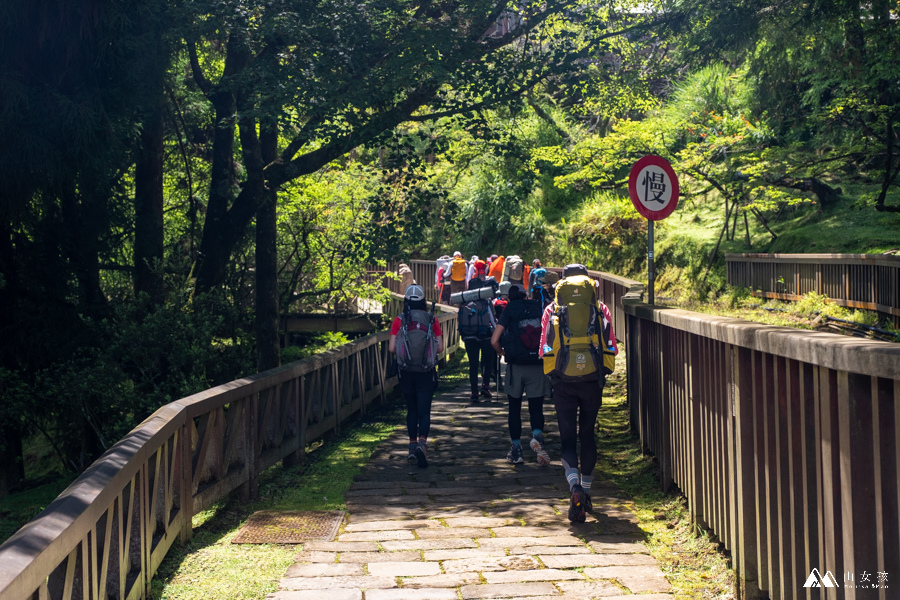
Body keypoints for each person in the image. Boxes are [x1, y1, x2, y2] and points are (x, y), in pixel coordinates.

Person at [540, 264, 617, 523]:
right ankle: (586, 491)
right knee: (588, 435)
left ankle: (574, 488)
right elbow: (612, 348)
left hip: (563, 381)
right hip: (591, 380)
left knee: (567, 440)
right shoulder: (600, 308)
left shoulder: (551, 310)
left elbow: (544, 348)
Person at [491, 285, 550, 465]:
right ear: (525, 297)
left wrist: (502, 352)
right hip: (537, 365)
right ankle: (538, 440)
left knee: (514, 409)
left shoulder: (508, 310)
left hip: (516, 365)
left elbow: (494, 340)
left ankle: (516, 450)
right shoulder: (537, 308)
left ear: (509, 297)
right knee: (536, 406)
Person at [389, 285, 444, 468]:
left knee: (411, 409)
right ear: (423, 300)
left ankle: (411, 446)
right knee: (424, 410)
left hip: (406, 370)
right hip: (426, 371)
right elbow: (441, 347)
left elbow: (391, 348)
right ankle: (422, 443)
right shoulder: (431, 319)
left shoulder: (400, 319)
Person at [460, 260, 496, 400]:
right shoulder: (486, 302)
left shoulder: (464, 303)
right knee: (487, 361)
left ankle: (474, 392)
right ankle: (485, 386)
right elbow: (492, 321)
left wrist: (463, 335)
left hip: (469, 337)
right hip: (485, 336)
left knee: (473, 364)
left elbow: (460, 321)